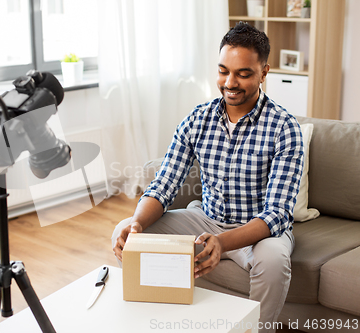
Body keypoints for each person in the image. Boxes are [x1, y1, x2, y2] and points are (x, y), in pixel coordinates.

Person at [111, 22, 304, 333]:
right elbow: (163, 185)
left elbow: (277, 214)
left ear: (264, 72)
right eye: (223, 71)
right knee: (125, 232)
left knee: (273, 264)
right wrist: (137, 223)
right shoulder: (197, 119)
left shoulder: (284, 128)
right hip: (206, 219)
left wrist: (222, 243)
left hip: (258, 230)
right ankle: (161, 321)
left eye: (243, 73)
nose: (230, 82)